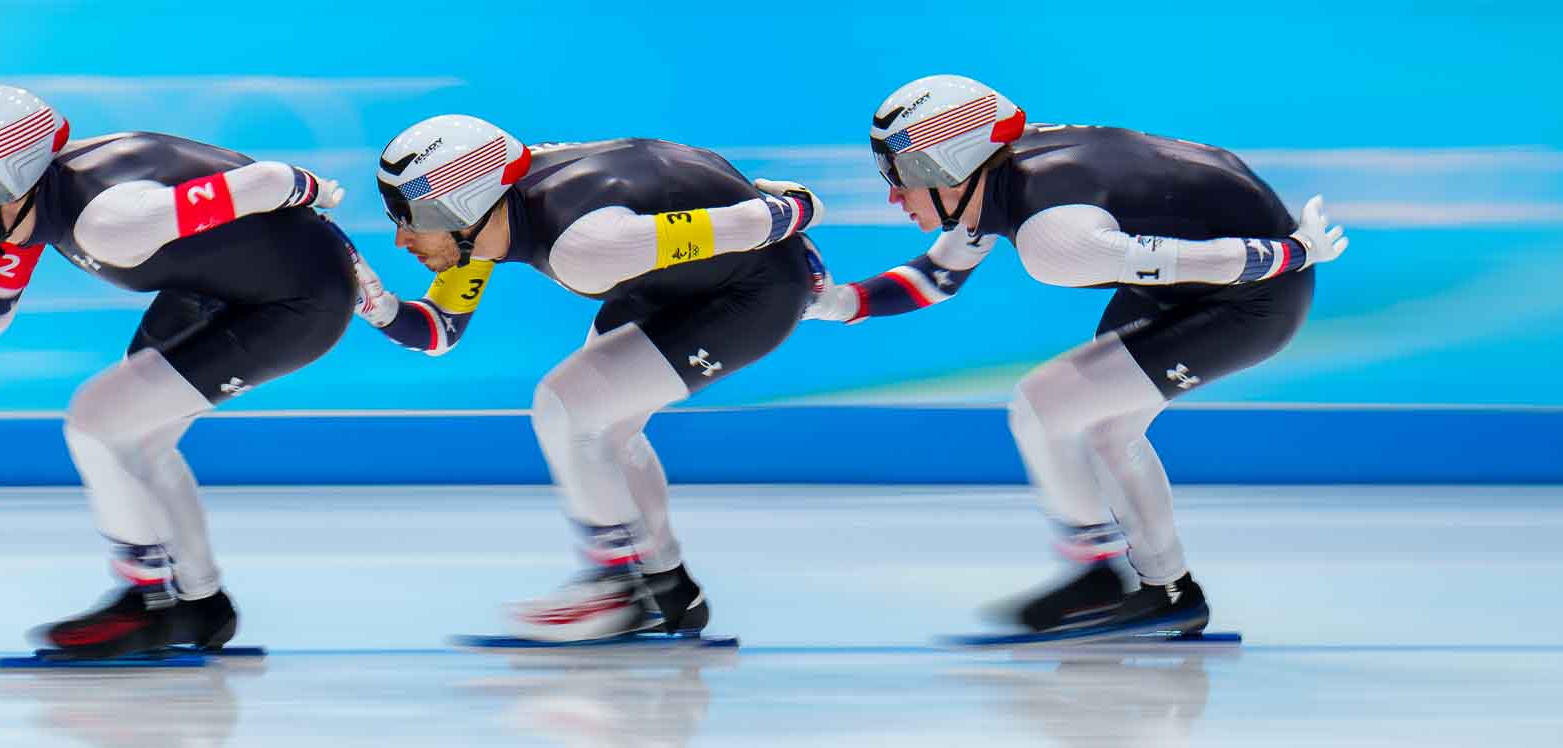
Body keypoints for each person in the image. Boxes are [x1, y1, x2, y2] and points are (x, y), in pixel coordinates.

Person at [804, 75, 1348, 636]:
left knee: (1046, 404)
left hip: (1252, 294)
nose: (894, 194)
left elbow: (1206, 261)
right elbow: (938, 275)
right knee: (1101, 428)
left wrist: (1293, 253)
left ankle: (1103, 578)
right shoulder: (997, 176)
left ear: (949, 162)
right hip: (1197, 279)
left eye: (903, 174)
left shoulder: (1053, 239)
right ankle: (1166, 590)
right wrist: (836, 303)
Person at [0, 84, 354, 658]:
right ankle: (199, 602)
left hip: (296, 302)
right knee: (135, 439)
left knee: (98, 421)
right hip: (218, 289)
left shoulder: (108, 219)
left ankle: (149, 602)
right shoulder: (29, 208)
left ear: (8, 179)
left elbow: (266, 182)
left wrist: (314, 197)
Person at [349, 115, 825, 641]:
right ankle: (666, 589)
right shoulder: (491, 210)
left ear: (460, 206)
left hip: (753, 292)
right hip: (678, 281)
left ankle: (615, 588)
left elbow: (767, 222)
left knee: (568, 407)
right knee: (603, 426)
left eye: (410, 216)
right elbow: (438, 331)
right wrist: (379, 308)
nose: (400, 238)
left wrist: (798, 205)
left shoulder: (585, 247)